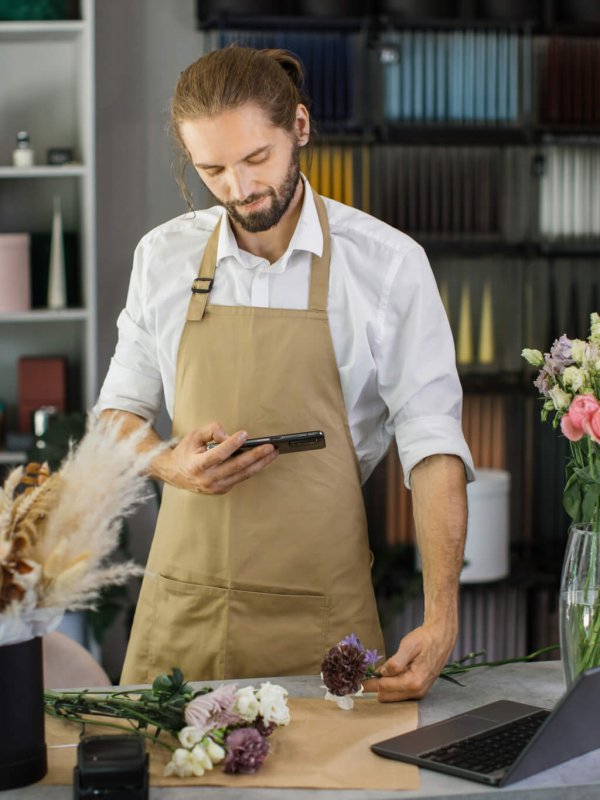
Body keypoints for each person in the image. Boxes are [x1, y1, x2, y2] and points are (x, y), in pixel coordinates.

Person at [96, 45, 474, 701]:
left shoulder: (387, 264)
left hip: (322, 617)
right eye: (211, 169)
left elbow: (432, 443)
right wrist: (166, 462)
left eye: (256, 159)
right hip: (183, 612)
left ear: (299, 128)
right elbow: (115, 415)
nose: (239, 190)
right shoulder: (163, 257)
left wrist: (442, 615)